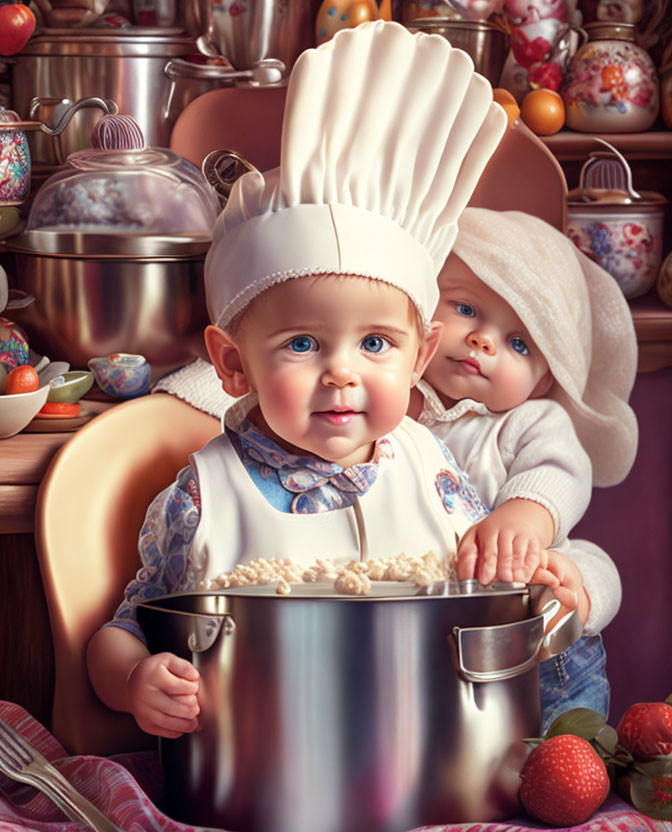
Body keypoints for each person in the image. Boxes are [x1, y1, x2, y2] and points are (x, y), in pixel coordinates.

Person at [86, 20, 512, 739]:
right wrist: (134, 680)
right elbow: (120, 632)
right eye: (304, 343)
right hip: (259, 780)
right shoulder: (201, 498)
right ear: (230, 364)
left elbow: (488, 603)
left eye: (376, 342)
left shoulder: (435, 475)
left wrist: (533, 583)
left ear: (420, 355)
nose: (342, 371)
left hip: (425, 773)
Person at [409, 206, 638, 729]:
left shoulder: (530, 421)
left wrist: (523, 517)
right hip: (433, 640)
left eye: (518, 343)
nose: (483, 341)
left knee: (577, 567)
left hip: (535, 648)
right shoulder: (392, 409)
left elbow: (558, 470)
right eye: (465, 308)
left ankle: (573, 605)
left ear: (540, 381)